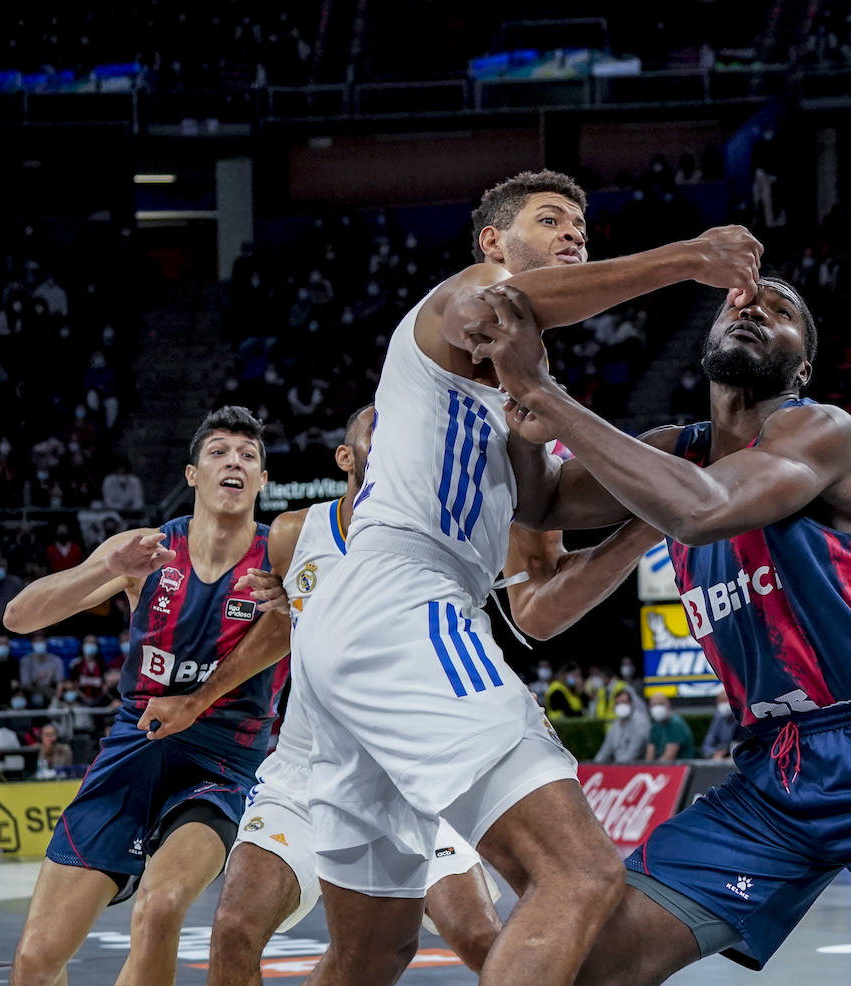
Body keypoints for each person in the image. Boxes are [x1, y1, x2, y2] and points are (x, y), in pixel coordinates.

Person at [473, 278, 851, 984]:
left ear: (802, 368)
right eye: (737, 305)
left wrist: (545, 391)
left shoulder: (819, 430)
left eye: (780, 310)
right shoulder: (674, 451)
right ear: (705, 346)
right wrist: (507, 409)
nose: (753, 308)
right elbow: (542, 502)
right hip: (774, 775)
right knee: (588, 962)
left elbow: (704, 509)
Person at [288, 169, 764, 986]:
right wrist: (690, 256)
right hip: (408, 605)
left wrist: (671, 451)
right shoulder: (474, 295)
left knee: (372, 952)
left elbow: (545, 503)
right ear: (494, 242)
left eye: (582, 224)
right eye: (552, 220)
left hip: (358, 630)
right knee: (579, 874)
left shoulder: (511, 374)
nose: (574, 232)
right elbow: (518, 304)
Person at [137, 405, 661, 984]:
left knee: (466, 940)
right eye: (373, 424)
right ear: (346, 456)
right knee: (238, 930)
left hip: (420, 771)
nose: (389, 428)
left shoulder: (451, 522)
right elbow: (281, 632)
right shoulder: (294, 535)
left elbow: (536, 598)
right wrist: (195, 696)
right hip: (310, 772)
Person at [2, 406, 293, 986]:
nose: (233, 460)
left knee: (159, 910)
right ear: (192, 475)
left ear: (262, 482)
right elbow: (18, 616)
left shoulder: (284, 554)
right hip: (133, 747)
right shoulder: (147, 549)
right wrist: (107, 567)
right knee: (35, 964)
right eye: (218, 451)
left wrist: (300, 601)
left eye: (248, 455)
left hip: (222, 764)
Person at [594, 685, 650, 763]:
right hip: (618, 765)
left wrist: (617, 765)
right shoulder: (614, 726)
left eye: (624, 702)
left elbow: (635, 751)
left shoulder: (640, 722)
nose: (621, 706)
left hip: (635, 765)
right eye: (618, 703)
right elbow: (606, 749)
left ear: (631, 703)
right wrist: (596, 763)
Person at [645, 692, 695, 761]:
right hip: (659, 768)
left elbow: (668, 758)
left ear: (668, 705)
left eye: (661, 704)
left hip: (680, 769)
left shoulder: (676, 724)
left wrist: (654, 770)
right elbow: (649, 757)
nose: (657, 708)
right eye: (654, 705)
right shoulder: (655, 727)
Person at [701, 687, 738, 759]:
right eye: (721, 702)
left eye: (726, 701)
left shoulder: (742, 718)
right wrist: (714, 753)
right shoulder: (718, 718)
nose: (724, 705)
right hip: (722, 758)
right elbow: (707, 746)